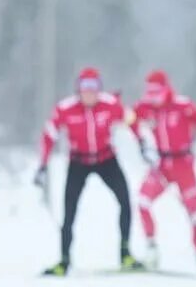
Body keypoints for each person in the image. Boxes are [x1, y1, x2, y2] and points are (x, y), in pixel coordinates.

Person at [34, 67, 144, 275]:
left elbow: (132, 120)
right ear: (78, 89)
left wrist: (143, 143)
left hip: (106, 158)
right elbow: (49, 135)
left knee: (125, 200)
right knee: (69, 210)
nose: (89, 93)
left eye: (93, 87)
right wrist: (42, 165)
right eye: (85, 87)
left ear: (99, 89)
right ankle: (64, 260)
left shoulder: (110, 105)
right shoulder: (66, 108)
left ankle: (125, 254)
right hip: (79, 162)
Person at [129, 70, 196, 275]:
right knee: (143, 201)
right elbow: (129, 119)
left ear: (166, 89)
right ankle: (152, 250)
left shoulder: (182, 105)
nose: (153, 96)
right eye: (149, 91)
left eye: (156, 91)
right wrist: (142, 143)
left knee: (194, 213)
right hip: (161, 165)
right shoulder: (146, 107)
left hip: (183, 165)